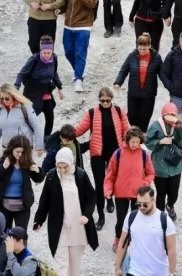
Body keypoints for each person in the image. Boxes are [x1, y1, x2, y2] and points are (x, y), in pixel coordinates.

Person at [32, 148, 99, 276]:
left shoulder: (80, 175)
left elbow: (91, 197)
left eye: (65, 167)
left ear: (71, 162)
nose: (62, 170)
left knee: (74, 269)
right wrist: (38, 220)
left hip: (78, 228)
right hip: (59, 227)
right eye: (59, 167)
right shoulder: (52, 176)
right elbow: (44, 200)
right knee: (60, 268)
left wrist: (86, 215)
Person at [74, 87, 130, 231]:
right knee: (99, 184)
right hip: (97, 153)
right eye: (102, 100)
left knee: (113, 180)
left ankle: (109, 198)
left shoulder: (119, 111)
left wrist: (127, 145)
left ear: (112, 100)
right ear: (99, 100)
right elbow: (80, 129)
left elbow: (127, 130)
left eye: (108, 101)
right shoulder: (92, 113)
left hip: (115, 153)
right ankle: (101, 216)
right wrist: (65, 134)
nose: (105, 103)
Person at [104, 128, 156, 251]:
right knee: (121, 220)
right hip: (121, 194)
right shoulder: (118, 153)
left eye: (137, 142)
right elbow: (110, 175)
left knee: (136, 219)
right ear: (127, 140)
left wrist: (144, 183)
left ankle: (134, 241)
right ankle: (118, 239)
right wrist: (108, 192)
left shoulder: (144, 154)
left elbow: (151, 173)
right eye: (133, 141)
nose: (135, 144)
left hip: (138, 195)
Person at [114, 186, 177, 276]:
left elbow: (172, 250)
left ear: (153, 201)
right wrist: (117, 268)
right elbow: (122, 243)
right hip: (134, 271)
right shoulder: (131, 217)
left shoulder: (165, 220)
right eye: (139, 204)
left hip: (159, 273)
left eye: (145, 204)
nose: (142, 207)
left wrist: (171, 273)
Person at [144, 103, 182, 221]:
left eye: (172, 114)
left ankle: (170, 205)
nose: (169, 117)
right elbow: (147, 141)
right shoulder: (156, 125)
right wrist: (160, 141)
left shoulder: (181, 124)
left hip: (175, 163)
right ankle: (160, 215)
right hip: (159, 164)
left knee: (174, 192)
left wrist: (178, 124)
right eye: (167, 115)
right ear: (163, 115)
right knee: (161, 193)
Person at [0, 135, 44, 229]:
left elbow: (39, 179)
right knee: (4, 235)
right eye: (17, 152)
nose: (20, 154)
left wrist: (38, 171)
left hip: (23, 206)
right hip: (4, 205)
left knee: (21, 236)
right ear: (11, 150)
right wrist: (3, 167)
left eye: (23, 152)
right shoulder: (4, 161)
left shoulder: (27, 162)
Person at [16, 37, 65, 141]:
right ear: (40, 51)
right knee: (31, 116)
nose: (47, 55)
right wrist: (16, 86)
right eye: (44, 53)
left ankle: (46, 138)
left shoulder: (54, 58)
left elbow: (54, 74)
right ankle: (25, 136)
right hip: (33, 90)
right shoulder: (34, 59)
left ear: (52, 51)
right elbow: (21, 74)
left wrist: (60, 88)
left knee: (49, 114)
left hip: (46, 90)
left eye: (49, 53)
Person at [114, 34, 163, 132]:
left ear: (149, 46)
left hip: (148, 94)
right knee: (132, 116)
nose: (141, 51)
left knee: (144, 117)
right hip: (134, 92)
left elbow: (163, 74)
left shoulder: (156, 57)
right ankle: (131, 136)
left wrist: (170, 86)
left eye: (144, 49)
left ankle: (141, 139)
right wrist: (118, 82)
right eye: (140, 49)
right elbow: (124, 70)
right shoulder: (132, 56)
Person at [60, 0, 99, 92]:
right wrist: (59, 10)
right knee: (68, 51)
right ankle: (79, 71)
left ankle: (78, 79)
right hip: (68, 25)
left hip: (84, 26)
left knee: (80, 53)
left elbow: (92, 3)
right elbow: (64, 4)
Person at [0, 83, 38, 150]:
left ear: (13, 96)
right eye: (2, 98)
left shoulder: (25, 107)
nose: (4, 101)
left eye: (7, 98)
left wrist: (39, 146)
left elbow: (36, 126)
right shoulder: (1, 109)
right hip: (7, 148)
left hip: (23, 148)